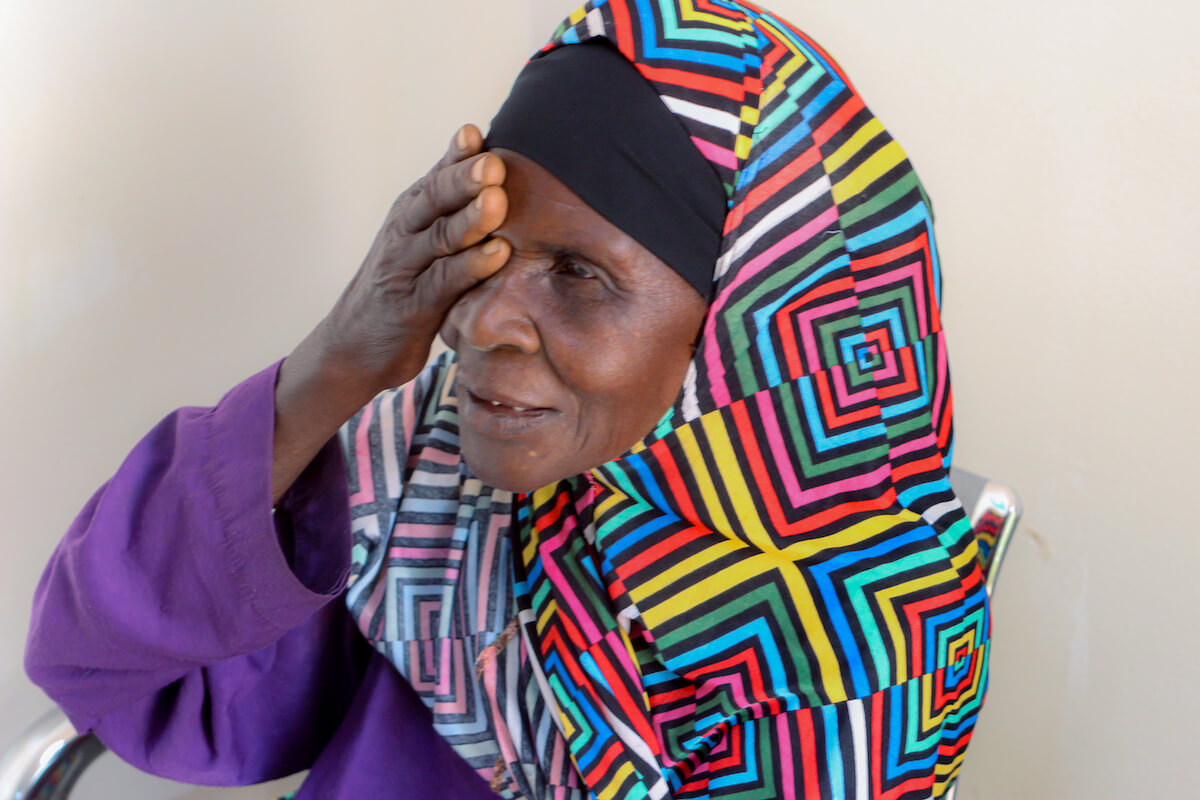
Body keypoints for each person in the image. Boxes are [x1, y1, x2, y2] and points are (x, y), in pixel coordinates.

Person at [24, 2, 990, 798]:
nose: (480, 321)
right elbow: (103, 662)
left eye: (575, 272)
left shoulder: (862, 660)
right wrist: (336, 364)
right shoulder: (435, 465)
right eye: (482, 252)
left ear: (755, 326)